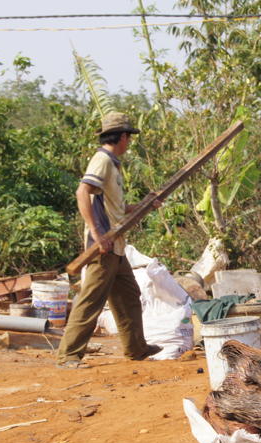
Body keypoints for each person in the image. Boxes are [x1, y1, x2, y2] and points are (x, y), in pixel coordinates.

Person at [55, 112, 162, 368]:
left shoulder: (112, 164)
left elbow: (117, 207)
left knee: (128, 295)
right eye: (129, 138)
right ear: (123, 137)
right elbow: (82, 192)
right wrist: (96, 234)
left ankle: (136, 348)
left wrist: (144, 205)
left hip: (116, 245)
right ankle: (68, 355)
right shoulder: (102, 161)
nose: (129, 143)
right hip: (103, 246)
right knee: (91, 299)